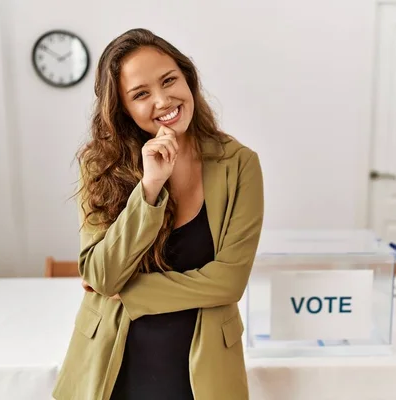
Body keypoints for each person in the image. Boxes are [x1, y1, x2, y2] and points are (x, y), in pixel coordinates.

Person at [52, 28, 264, 400]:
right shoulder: (100, 165)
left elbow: (229, 281)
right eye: (141, 94)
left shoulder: (239, 164)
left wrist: (130, 292)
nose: (164, 100)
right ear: (123, 108)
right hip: (112, 363)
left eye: (170, 80)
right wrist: (149, 189)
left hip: (203, 367)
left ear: (188, 79)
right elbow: (102, 274)